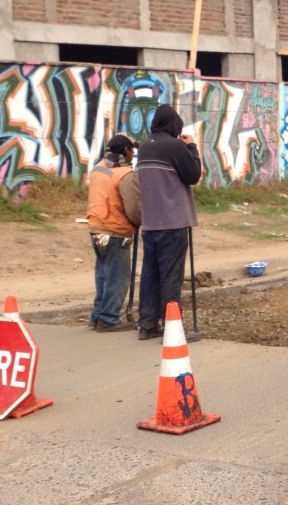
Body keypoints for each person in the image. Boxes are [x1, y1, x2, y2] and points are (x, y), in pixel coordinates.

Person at [135, 105, 203, 340]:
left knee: (150, 275)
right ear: (174, 125)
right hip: (173, 221)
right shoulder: (174, 146)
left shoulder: (144, 147)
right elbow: (193, 175)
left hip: (151, 222)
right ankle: (172, 328)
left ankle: (147, 325)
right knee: (171, 277)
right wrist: (191, 146)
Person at [86, 134, 143, 331]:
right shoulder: (125, 174)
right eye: (132, 150)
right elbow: (134, 208)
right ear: (126, 151)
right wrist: (139, 222)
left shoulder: (99, 166)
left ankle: (97, 316)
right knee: (117, 277)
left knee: (103, 274)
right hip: (115, 230)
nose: (133, 154)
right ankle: (109, 318)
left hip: (96, 226)